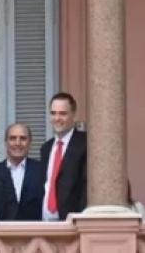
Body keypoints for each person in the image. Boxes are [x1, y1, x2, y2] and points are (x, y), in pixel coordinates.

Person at [40, 92, 87, 220]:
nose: (57, 118)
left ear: (73, 115)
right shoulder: (46, 148)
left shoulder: (85, 143)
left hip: (72, 222)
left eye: (63, 113)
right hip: (45, 222)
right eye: (53, 113)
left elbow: (87, 187)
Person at [5, 123, 45, 220]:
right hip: (1, 232)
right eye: (13, 138)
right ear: (6, 142)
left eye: (23, 138)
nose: (17, 143)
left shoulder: (42, 170)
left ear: (30, 142)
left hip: (35, 231)